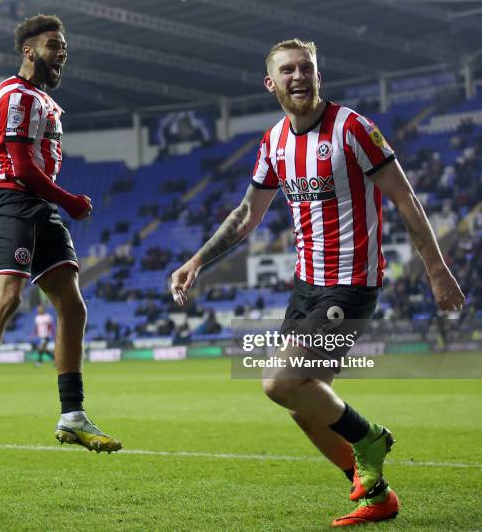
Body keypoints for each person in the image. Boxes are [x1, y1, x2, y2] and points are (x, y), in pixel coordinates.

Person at [170, 39, 465, 527]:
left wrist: (436, 269)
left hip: (350, 283)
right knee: (303, 404)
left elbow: (406, 197)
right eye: (288, 70)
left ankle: (370, 439)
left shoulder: (353, 129)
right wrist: (196, 260)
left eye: (306, 67)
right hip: (306, 286)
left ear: (318, 76)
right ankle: (376, 495)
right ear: (272, 83)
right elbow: (247, 214)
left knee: (278, 382)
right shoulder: (273, 143)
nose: (299, 76)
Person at [0, 14, 121, 453]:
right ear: (29, 51)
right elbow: (24, 167)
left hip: (39, 205)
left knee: (73, 305)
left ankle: (72, 414)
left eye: (64, 45)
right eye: (53, 44)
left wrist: (57, 203)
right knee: (7, 298)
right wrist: (70, 201)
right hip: (14, 200)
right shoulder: (15, 94)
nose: (62, 51)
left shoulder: (38, 98)